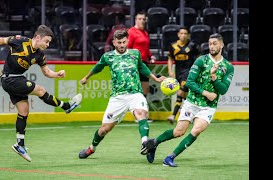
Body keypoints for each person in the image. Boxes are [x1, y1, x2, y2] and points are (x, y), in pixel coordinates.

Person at [0, 25, 82, 162]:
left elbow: (47, 72)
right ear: (38, 37)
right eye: (46, 41)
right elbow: (3, 40)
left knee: (24, 111)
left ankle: (20, 144)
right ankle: (66, 106)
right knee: (40, 90)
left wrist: (57, 74)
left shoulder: (39, 55)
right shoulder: (20, 41)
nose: (47, 45)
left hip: (17, 79)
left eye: (49, 42)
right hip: (8, 78)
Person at [146, 33, 234, 167]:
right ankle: (155, 143)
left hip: (208, 107)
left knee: (196, 130)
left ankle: (170, 158)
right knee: (178, 132)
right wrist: (205, 93)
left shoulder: (228, 67)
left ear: (222, 45)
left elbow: (223, 90)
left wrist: (214, 77)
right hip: (191, 102)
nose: (211, 46)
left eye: (215, 43)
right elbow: (190, 82)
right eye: (210, 43)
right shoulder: (201, 61)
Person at [78, 29, 166, 159]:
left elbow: (142, 67)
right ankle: (91, 148)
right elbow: (98, 67)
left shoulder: (135, 54)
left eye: (124, 42)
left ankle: (145, 143)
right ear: (114, 42)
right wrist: (86, 77)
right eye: (119, 42)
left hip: (135, 93)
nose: (122, 45)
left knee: (141, 114)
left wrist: (155, 78)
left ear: (128, 41)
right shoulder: (108, 56)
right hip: (118, 97)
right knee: (104, 129)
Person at [167, 26, 201, 124]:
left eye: (185, 34)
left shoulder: (192, 45)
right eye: (181, 33)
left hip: (189, 73)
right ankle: (189, 116)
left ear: (188, 35)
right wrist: (170, 70)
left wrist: (198, 69)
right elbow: (170, 58)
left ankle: (173, 115)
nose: (183, 35)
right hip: (179, 73)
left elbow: (199, 57)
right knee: (186, 96)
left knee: (181, 93)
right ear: (178, 35)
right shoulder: (173, 46)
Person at [127, 11, 156, 123]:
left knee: (145, 89)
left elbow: (146, 49)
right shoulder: (131, 32)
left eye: (143, 19)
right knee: (136, 91)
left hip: (144, 64)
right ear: (135, 20)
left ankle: (141, 114)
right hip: (134, 64)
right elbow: (127, 48)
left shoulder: (145, 33)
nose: (142, 21)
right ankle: (138, 115)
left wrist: (151, 56)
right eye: (140, 19)